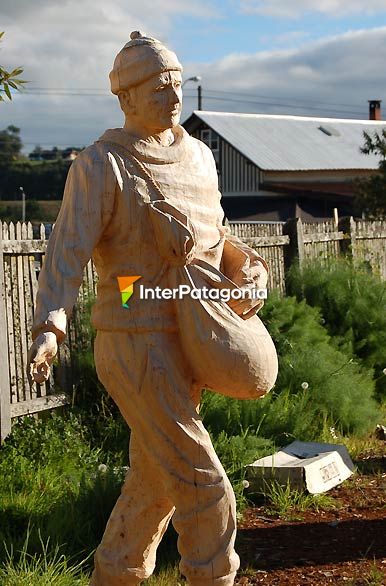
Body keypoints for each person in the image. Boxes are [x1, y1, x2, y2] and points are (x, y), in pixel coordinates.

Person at [27, 32, 277, 586]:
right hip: (133, 339)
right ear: (127, 98)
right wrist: (51, 323)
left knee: (152, 484)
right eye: (159, 87)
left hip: (195, 337)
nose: (172, 97)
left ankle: (115, 574)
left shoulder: (200, 157)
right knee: (202, 486)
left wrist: (245, 266)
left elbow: (216, 237)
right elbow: (66, 252)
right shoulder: (101, 165)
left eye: (177, 85)